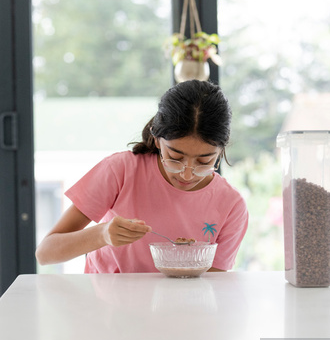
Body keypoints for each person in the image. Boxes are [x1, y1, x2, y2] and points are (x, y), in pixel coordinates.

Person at [35, 79, 249, 273]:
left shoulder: (231, 205)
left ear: (220, 152)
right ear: (157, 140)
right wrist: (102, 235)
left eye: (204, 162)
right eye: (175, 157)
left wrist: (189, 261)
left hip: (178, 312)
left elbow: (211, 289)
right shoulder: (121, 170)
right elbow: (45, 253)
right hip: (104, 308)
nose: (186, 173)